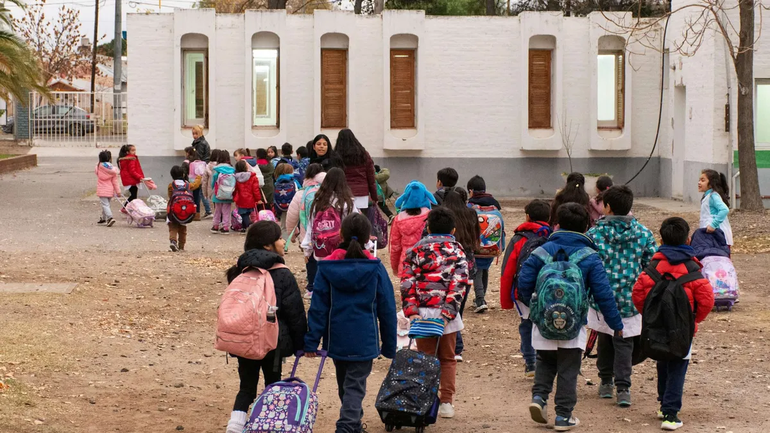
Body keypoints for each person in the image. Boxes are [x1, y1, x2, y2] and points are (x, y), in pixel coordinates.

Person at [518, 203, 623, 431]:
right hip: (574, 323)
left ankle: (539, 399)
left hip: (544, 319)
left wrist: (535, 308)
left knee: (544, 361)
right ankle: (563, 417)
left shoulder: (541, 251)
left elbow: (523, 281)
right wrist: (616, 324)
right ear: (586, 225)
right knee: (568, 368)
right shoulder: (590, 256)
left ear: (557, 223)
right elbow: (603, 294)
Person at [304, 213, 397, 433]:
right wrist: (389, 345)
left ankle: (352, 425)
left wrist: (311, 341)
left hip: (337, 338)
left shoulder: (326, 268)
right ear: (368, 238)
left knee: (346, 384)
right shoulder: (375, 268)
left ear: (341, 234)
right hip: (365, 338)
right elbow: (387, 309)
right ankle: (347, 426)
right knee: (354, 385)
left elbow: (318, 309)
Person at [224, 221, 308, 433]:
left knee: (246, 388)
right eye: (279, 238)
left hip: (244, 340)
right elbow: (295, 313)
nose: (282, 241)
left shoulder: (239, 270)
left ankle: (235, 427)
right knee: (273, 386)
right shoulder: (282, 273)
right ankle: (267, 425)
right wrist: (301, 345)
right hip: (274, 343)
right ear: (268, 245)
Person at [632, 217, 714, 431]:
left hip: (656, 326)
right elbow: (706, 300)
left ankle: (662, 403)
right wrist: (693, 319)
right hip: (683, 330)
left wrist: (650, 315)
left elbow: (638, 294)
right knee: (678, 365)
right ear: (688, 240)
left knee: (663, 360)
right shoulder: (693, 269)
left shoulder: (653, 266)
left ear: (661, 239)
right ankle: (670, 413)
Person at [586, 185, 656, 407]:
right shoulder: (644, 234)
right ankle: (623, 387)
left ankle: (605, 381)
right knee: (624, 342)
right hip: (631, 299)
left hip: (601, 298)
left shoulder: (594, 234)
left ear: (606, 207)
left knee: (605, 338)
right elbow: (650, 266)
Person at [401, 207, 471, 419]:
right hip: (446, 315)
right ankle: (447, 402)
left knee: (425, 358)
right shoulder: (458, 251)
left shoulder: (415, 251)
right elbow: (460, 284)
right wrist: (448, 313)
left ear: (428, 227)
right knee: (448, 358)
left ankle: (426, 400)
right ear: (454, 229)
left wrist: (411, 311)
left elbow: (407, 282)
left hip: (422, 313)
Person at [500, 199, 552, 377]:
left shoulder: (519, 238)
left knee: (527, 323)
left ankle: (530, 362)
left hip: (523, 292)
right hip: (547, 291)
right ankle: (543, 360)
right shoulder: (552, 237)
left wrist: (506, 300)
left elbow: (507, 270)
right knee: (544, 323)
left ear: (527, 216)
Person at [441, 190, 481, 363]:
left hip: (445, 266)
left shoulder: (443, 216)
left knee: (447, 305)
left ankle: (454, 345)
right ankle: (455, 345)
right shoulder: (471, 214)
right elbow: (476, 239)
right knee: (459, 306)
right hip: (468, 265)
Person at [285, 163, 326, 299]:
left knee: (310, 261)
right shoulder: (328, 191)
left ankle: (312, 288)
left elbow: (291, 216)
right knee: (326, 259)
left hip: (307, 236)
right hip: (327, 234)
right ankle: (326, 285)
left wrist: (293, 233)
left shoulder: (301, 193)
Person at [301, 167, 359, 260]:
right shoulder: (347, 203)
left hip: (321, 251)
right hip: (342, 251)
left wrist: (307, 250)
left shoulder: (318, 202)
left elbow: (311, 226)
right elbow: (356, 225)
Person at [467, 175, 501, 313]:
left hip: (476, 246)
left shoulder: (470, 206)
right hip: (492, 245)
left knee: (477, 272)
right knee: (484, 270)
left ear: (471, 190)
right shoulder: (494, 204)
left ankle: (480, 299)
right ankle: (480, 298)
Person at [389, 181, 436, 278]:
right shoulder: (431, 216)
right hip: (427, 263)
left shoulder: (398, 219)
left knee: (407, 291)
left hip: (406, 263)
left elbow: (395, 246)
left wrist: (395, 267)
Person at [335, 129, 378, 215]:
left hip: (344, 193)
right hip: (362, 194)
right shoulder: (363, 154)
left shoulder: (337, 155)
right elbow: (371, 178)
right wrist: (374, 196)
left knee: (346, 221)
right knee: (360, 222)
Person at [698, 169, 733, 248]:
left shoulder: (713, 196)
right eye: (699, 180)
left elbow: (724, 210)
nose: (699, 183)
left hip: (718, 236)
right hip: (711, 236)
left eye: (703, 180)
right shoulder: (708, 196)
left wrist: (713, 225)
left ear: (711, 184)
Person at [274, 163, 301, 252]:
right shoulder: (294, 181)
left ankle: (284, 246)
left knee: (284, 226)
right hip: (295, 206)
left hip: (282, 207)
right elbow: (300, 191)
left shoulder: (277, 183)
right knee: (300, 225)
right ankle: (302, 244)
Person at [233, 160, 263, 233]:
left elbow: (235, 188)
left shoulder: (235, 177)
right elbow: (255, 190)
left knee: (243, 214)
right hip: (250, 199)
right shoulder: (252, 177)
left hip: (240, 199)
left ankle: (247, 226)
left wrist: (234, 196)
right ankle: (245, 226)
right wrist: (258, 199)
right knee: (248, 213)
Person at [167, 165, 192, 252]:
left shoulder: (171, 185)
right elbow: (195, 186)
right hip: (185, 211)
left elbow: (170, 197)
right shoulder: (188, 185)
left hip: (174, 210)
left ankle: (173, 241)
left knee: (173, 227)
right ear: (183, 174)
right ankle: (181, 246)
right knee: (183, 229)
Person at [211, 150, 235, 234]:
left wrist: (212, 188)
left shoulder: (217, 169)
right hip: (229, 194)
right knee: (226, 211)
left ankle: (215, 226)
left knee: (217, 210)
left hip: (218, 194)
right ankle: (225, 227)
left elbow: (213, 181)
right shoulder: (232, 169)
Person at [95, 150, 119, 227]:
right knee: (106, 204)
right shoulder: (113, 169)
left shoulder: (98, 166)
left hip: (102, 189)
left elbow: (96, 172)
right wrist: (118, 191)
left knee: (105, 205)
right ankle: (103, 218)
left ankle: (110, 217)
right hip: (110, 190)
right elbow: (115, 181)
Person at [184, 146, 207, 221]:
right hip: (199, 181)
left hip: (190, 182)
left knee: (189, 198)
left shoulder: (187, 162)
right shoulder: (200, 162)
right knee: (197, 198)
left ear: (188, 153)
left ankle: (190, 213)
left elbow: (184, 172)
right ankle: (197, 214)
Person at [201, 149, 221, 220]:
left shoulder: (208, 166)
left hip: (212, 190)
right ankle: (224, 223)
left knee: (216, 206)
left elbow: (204, 181)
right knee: (224, 208)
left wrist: (205, 193)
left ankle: (217, 221)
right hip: (223, 190)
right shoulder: (223, 166)